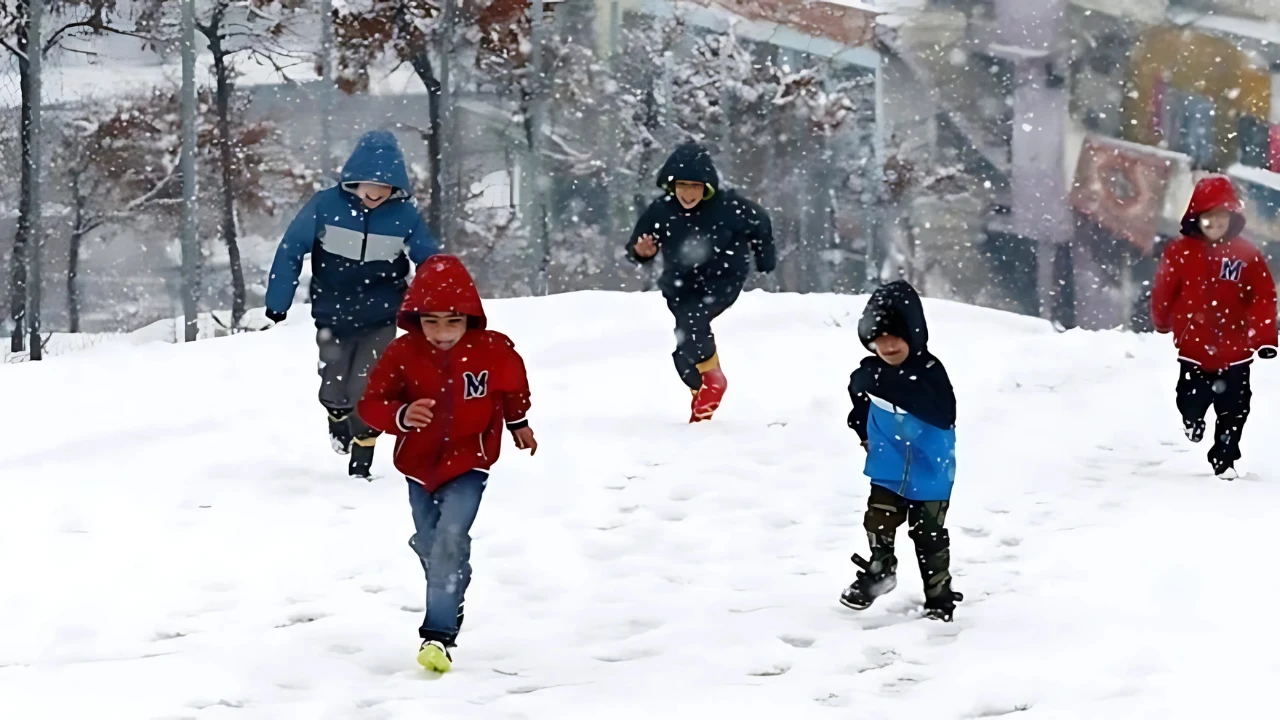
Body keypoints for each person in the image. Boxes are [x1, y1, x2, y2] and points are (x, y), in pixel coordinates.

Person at [357, 254, 536, 673]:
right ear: (415, 318)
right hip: (418, 465)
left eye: (453, 321)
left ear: (470, 318)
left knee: (450, 538)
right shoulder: (402, 352)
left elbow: (513, 387)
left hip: (470, 460)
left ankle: (437, 635)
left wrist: (519, 423)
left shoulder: (492, 350)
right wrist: (400, 415)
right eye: (431, 321)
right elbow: (371, 403)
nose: (441, 332)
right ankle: (451, 584)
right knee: (431, 543)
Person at [265, 130, 439, 478]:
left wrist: (438, 303)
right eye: (370, 187)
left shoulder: (404, 215)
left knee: (369, 385)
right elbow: (290, 250)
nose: (377, 195)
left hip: (382, 314)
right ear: (353, 181)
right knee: (334, 385)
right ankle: (337, 417)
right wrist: (278, 301)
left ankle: (363, 453)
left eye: (385, 189)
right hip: (332, 312)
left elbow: (432, 261)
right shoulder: (325, 206)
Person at [625, 140, 776, 422]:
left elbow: (761, 223)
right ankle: (701, 392)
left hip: (722, 280)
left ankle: (713, 381)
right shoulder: (661, 210)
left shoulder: (729, 206)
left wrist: (765, 259)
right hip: (680, 284)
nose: (688, 193)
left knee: (694, 321)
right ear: (672, 185)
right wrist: (641, 252)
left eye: (695, 186)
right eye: (682, 185)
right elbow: (637, 245)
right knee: (683, 347)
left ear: (707, 187)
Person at [842, 280, 962, 622]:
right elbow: (860, 401)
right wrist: (861, 428)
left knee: (929, 536)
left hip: (931, 469)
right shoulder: (869, 373)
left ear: (913, 334)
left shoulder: (929, 372)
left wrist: (893, 386)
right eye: (878, 339)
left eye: (895, 337)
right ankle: (880, 571)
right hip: (889, 465)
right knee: (878, 518)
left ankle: (939, 598)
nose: (888, 346)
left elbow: (943, 413)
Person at [1151, 175, 1278, 480]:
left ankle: (1224, 459)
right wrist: (1162, 319)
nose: (1215, 225)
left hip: (1236, 351)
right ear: (1198, 219)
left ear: (1232, 219)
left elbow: (1262, 296)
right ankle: (1192, 420)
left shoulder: (1246, 255)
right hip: (1194, 347)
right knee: (1190, 398)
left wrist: (1264, 337)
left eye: (1222, 219)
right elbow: (1165, 288)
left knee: (1235, 409)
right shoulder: (1179, 252)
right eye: (1209, 219)